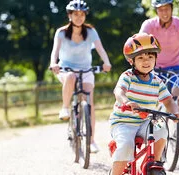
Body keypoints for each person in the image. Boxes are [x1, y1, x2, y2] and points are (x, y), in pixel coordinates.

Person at [109, 33, 179, 175]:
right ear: (132, 61)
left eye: (150, 57)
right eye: (141, 58)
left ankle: (153, 162)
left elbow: (169, 100)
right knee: (126, 145)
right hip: (123, 122)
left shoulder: (157, 81)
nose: (146, 61)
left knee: (162, 129)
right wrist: (126, 102)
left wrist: (175, 112)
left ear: (156, 58)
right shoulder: (128, 77)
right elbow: (118, 91)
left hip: (145, 122)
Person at [139, 0, 179, 153]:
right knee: (151, 98)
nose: (164, 13)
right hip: (155, 67)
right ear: (156, 11)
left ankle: (176, 138)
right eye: (160, 10)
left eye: (167, 9)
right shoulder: (149, 25)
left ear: (172, 9)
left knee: (176, 93)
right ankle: (147, 132)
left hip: (175, 67)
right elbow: (140, 43)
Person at [49, 0, 112, 153]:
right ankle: (65, 108)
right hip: (66, 69)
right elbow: (55, 51)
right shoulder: (61, 32)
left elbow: (100, 49)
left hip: (85, 70)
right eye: (75, 14)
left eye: (82, 14)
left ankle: (91, 141)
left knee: (89, 103)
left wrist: (106, 62)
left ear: (85, 16)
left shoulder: (91, 32)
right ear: (69, 15)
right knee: (70, 77)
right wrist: (53, 63)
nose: (79, 17)